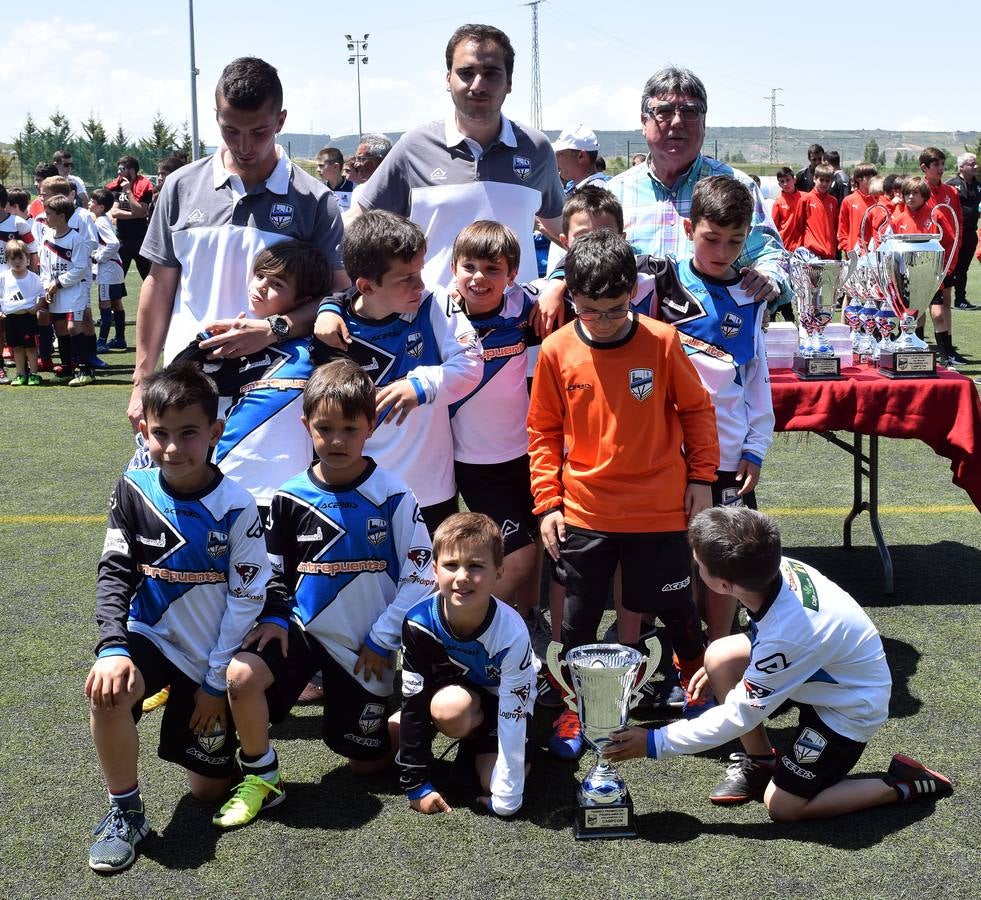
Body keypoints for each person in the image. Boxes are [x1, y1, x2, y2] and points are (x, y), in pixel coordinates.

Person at [604, 506, 955, 822]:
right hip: (819, 672)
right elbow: (773, 641)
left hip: (848, 708)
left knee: (782, 806)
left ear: (723, 585)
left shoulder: (790, 635)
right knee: (719, 657)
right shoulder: (773, 566)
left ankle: (900, 783)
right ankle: (762, 763)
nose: (695, 565)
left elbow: (740, 713)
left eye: (699, 564)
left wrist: (655, 742)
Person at [213, 358, 435, 829]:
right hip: (300, 632)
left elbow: (421, 576)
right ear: (305, 426)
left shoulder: (394, 495)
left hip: (364, 646)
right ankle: (261, 775)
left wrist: (382, 638)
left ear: (370, 425)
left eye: (350, 428)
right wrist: (273, 617)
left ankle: (407, 717)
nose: (336, 440)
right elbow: (272, 575)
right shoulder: (288, 496)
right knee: (241, 678)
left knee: (366, 766)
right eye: (324, 427)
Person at [527, 229, 719, 758]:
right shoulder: (555, 350)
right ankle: (574, 707)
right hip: (586, 510)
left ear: (633, 293)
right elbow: (542, 431)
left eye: (614, 309)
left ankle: (698, 691)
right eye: (590, 311)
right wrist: (548, 502)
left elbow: (697, 411)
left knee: (680, 613)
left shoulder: (662, 340)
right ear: (571, 298)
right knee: (577, 622)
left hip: (660, 508)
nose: (604, 321)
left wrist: (701, 479)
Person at [85, 362, 271, 873]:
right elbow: (114, 573)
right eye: (160, 433)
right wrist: (113, 646)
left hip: (212, 653)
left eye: (188, 433)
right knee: (108, 691)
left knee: (208, 790)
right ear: (145, 430)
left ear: (214, 432)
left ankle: (231, 744)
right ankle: (126, 812)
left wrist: (215, 683)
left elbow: (246, 600)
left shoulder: (237, 505)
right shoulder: (133, 488)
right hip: (152, 637)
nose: (172, 447)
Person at [129, 55, 349, 428]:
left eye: (259, 132)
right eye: (231, 130)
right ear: (216, 116)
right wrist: (141, 380)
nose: (244, 145)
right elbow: (159, 286)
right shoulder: (180, 187)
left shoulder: (315, 200)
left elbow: (339, 298)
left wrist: (274, 328)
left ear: (281, 120)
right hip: (186, 388)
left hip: (275, 394)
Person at [632, 176, 774, 642]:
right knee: (662, 560)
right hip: (664, 453)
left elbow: (757, 380)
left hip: (728, 455)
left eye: (736, 241)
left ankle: (718, 651)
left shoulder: (753, 297)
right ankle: (657, 656)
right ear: (690, 227)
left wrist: (755, 447)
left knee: (724, 561)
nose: (723, 250)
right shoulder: (658, 279)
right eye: (712, 238)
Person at [335, 24, 565, 292]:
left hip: (515, 324)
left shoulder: (536, 148)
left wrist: (565, 277)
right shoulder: (414, 146)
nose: (477, 85)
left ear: (509, 82)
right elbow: (356, 221)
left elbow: (566, 231)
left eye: (491, 74)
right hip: (432, 325)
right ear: (448, 79)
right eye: (466, 73)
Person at [316, 210, 483, 534]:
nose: (420, 284)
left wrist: (421, 385)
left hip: (430, 490)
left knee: (432, 582)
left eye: (419, 271)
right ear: (366, 286)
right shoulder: (333, 330)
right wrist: (329, 305)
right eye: (406, 278)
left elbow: (472, 363)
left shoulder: (431, 302)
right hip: (359, 488)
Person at [604, 68, 789, 312]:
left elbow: (771, 255)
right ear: (643, 121)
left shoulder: (738, 187)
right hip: (631, 344)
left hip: (717, 342)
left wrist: (767, 277)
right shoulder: (614, 194)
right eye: (664, 112)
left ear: (704, 121)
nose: (678, 121)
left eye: (690, 111)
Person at [398, 511, 538, 817]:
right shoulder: (419, 621)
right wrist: (416, 785)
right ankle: (470, 739)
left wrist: (507, 799)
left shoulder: (512, 632)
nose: (462, 577)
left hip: (506, 706)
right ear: (434, 569)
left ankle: (491, 747)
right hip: (459, 699)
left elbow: (513, 713)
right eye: (451, 565)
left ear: (499, 572)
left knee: (494, 783)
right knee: (436, 714)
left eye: (476, 566)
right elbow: (414, 701)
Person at [447, 221, 540, 611]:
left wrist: (557, 288)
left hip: (526, 454)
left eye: (492, 269)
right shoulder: (442, 313)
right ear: (453, 268)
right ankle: (457, 627)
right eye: (468, 267)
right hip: (476, 462)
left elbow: (560, 281)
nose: (479, 278)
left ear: (512, 275)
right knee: (517, 557)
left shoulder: (526, 306)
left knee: (534, 547)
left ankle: (524, 624)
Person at [203, 240, 333, 514]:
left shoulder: (317, 347)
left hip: (293, 489)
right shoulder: (224, 337)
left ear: (304, 301)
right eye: (260, 275)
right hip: (228, 479)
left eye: (278, 284)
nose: (261, 285)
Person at [39, 194, 96, 385]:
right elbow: (45, 266)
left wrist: (59, 283)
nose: (45, 217)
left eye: (49, 214)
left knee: (73, 327)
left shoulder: (76, 239)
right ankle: (67, 367)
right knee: (61, 328)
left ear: (62, 216)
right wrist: (48, 284)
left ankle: (85, 369)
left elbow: (80, 269)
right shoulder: (47, 237)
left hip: (74, 292)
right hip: (56, 292)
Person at [919, 148, 964, 365]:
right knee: (922, 303)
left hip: (948, 257)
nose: (941, 168)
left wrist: (956, 248)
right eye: (936, 165)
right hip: (925, 257)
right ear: (924, 168)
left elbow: (958, 224)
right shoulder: (917, 190)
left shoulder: (951, 192)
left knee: (946, 301)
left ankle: (949, 350)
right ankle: (918, 345)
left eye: (942, 164)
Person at [0, 239, 44, 384]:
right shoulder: (4, 278)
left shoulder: (33, 278)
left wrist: (37, 308)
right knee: (16, 349)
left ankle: (33, 374)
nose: (17, 261)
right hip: (11, 319)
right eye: (13, 258)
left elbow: (43, 296)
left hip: (27, 318)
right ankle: (20, 374)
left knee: (31, 348)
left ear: (27, 258)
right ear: (7, 260)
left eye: (20, 257)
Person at [89, 188, 128, 352]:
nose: (90, 203)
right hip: (115, 267)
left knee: (104, 304)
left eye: (93, 201)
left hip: (109, 269)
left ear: (101, 207)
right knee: (116, 303)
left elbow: (113, 244)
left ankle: (102, 342)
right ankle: (120, 339)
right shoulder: (104, 219)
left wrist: (98, 256)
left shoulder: (100, 222)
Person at [104, 156, 154, 280]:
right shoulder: (117, 186)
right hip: (122, 239)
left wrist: (128, 191)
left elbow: (141, 210)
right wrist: (135, 214)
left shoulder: (144, 186)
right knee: (117, 279)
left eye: (122, 169)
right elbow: (114, 212)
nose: (118, 172)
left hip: (141, 240)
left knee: (148, 277)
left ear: (131, 170)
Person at [946, 153, 979, 309]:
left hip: (971, 233)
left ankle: (960, 299)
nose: (976, 166)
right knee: (950, 268)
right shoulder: (951, 185)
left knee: (963, 268)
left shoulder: (978, 185)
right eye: (971, 164)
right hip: (954, 234)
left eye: (975, 164)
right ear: (961, 167)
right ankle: (941, 298)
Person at [346, 134, 392, 218]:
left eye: (361, 159)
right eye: (356, 159)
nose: (356, 164)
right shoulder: (359, 191)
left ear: (381, 160)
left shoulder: (400, 189)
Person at [801, 163, 839, 260]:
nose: (824, 184)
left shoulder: (833, 201)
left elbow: (835, 226)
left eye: (827, 181)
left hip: (829, 253)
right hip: (811, 252)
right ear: (814, 179)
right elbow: (799, 226)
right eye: (821, 180)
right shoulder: (806, 199)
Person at [838, 163, 877, 254]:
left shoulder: (877, 200)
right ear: (858, 179)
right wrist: (848, 248)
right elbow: (842, 230)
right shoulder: (848, 201)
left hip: (874, 253)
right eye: (869, 178)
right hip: (855, 253)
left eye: (874, 177)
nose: (873, 181)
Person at [771, 166, 806, 254]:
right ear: (779, 184)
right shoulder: (778, 202)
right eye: (782, 181)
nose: (785, 184)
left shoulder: (806, 197)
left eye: (788, 180)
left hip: (804, 247)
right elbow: (773, 227)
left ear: (794, 180)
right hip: (785, 247)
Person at [316, 146, 355, 211]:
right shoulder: (318, 188)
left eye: (321, 166)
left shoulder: (354, 188)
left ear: (335, 166)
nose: (318, 169)